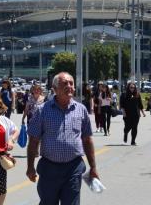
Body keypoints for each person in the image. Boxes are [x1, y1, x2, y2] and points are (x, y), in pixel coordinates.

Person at [27, 72, 98, 205]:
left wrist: (93, 167)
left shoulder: (81, 110)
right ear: (54, 89)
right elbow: (33, 141)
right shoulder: (43, 110)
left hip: (73, 168)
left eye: (71, 83)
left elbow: (87, 140)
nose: (69, 86)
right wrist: (30, 167)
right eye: (65, 83)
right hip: (49, 169)